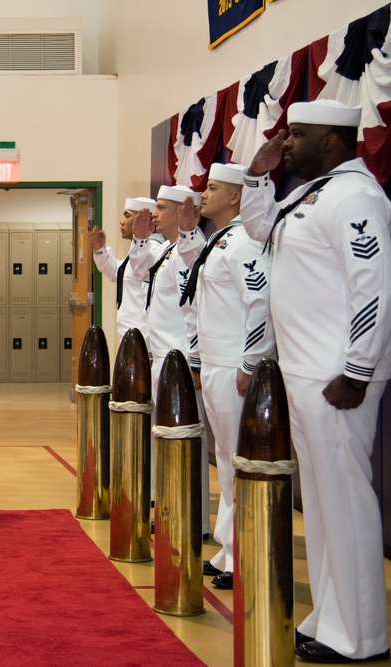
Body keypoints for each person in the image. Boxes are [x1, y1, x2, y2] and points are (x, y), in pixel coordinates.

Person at [241, 99, 391, 664]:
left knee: (346, 504)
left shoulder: (355, 197)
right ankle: (331, 619)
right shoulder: (311, 194)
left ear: (332, 140)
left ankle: (361, 635)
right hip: (304, 375)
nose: (288, 143)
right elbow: (260, 230)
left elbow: (373, 285)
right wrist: (259, 173)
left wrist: (355, 372)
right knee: (325, 508)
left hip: (335, 380)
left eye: (298, 135)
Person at [176, 162, 274, 592]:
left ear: (236, 196)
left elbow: (261, 301)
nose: (204, 193)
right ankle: (229, 547)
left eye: (213, 187)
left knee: (239, 463)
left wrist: (250, 363)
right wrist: (199, 359)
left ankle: (245, 553)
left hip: (235, 366)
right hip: (216, 363)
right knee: (227, 464)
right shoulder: (220, 241)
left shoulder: (244, 243)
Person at [130, 184, 212, 535]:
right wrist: (139, 240)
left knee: (186, 441)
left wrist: (193, 361)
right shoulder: (169, 250)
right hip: (161, 358)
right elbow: (136, 272)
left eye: (162, 207)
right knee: (165, 438)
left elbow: (193, 308)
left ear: (183, 212)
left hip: (178, 361)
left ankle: (193, 518)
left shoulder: (188, 252)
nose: (155, 212)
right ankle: (169, 507)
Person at [91, 197, 157, 340]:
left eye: (127, 216)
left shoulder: (152, 250)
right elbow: (118, 272)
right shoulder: (136, 251)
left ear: (143, 220)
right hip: (129, 334)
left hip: (142, 337)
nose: (122, 221)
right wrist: (100, 250)